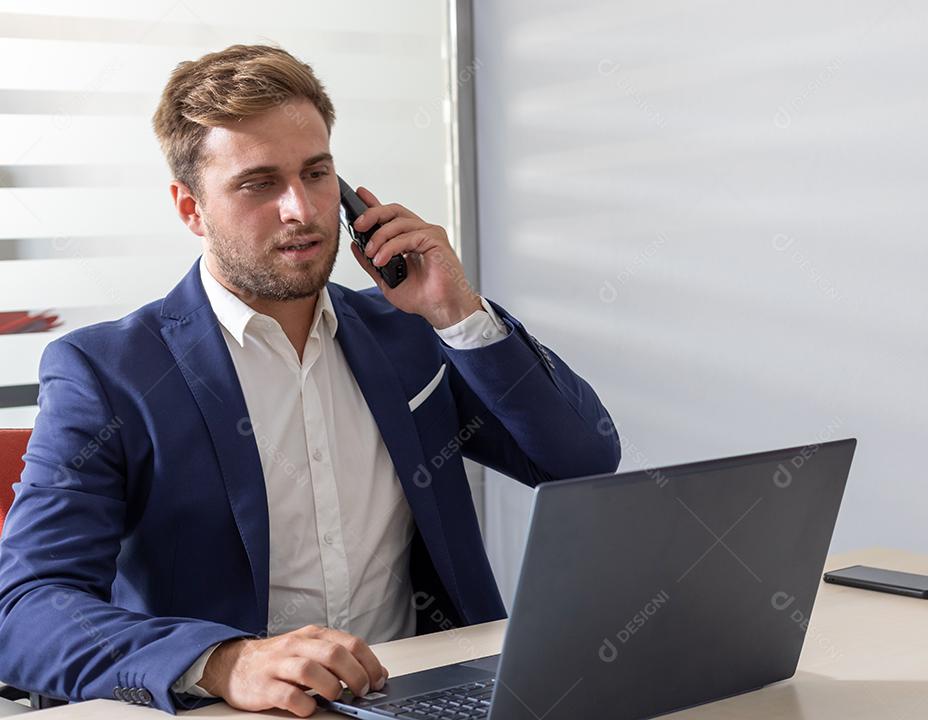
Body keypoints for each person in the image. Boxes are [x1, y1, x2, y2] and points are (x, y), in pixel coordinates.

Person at [0, 45, 620, 717]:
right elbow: (26, 611)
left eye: (316, 173)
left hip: (424, 695)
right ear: (190, 209)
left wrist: (458, 310)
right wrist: (224, 662)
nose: (301, 208)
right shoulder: (110, 372)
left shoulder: (409, 331)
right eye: (258, 182)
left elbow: (579, 457)